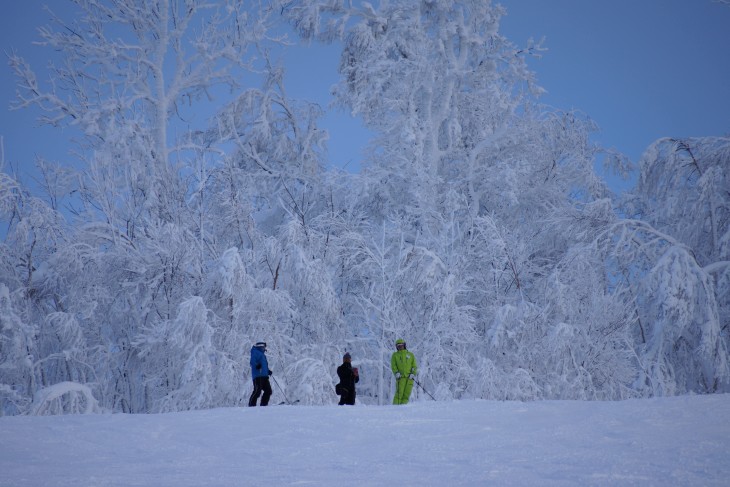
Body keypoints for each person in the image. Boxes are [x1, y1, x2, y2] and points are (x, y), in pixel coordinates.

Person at [391, 338, 418, 405]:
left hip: (409, 378)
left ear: (404, 345)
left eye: (401, 345)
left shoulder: (410, 355)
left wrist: (413, 373)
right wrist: (396, 373)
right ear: (397, 347)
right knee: (399, 394)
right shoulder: (395, 355)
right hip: (401, 378)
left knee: (407, 394)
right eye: (398, 346)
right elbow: (393, 365)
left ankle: (403, 408)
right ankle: (395, 408)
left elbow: (414, 365)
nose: (400, 347)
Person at [248, 341, 272, 407]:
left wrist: (268, 371)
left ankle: (263, 405)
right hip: (258, 376)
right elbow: (252, 362)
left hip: (264, 376)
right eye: (264, 346)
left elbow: (263, 365)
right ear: (261, 346)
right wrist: (256, 365)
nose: (265, 348)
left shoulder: (262, 354)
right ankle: (251, 405)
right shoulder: (255, 352)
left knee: (268, 391)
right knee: (257, 391)